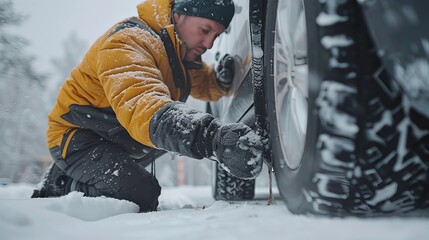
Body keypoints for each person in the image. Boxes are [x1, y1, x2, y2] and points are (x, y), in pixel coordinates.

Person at [32, 0, 265, 212]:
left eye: (216, 35)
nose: (209, 44)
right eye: (205, 31)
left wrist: (222, 80)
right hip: (79, 138)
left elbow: (203, 83)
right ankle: (61, 183)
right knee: (140, 195)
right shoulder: (127, 42)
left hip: (117, 140)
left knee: (139, 190)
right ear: (179, 14)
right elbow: (145, 108)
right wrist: (212, 137)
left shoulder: (179, 53)